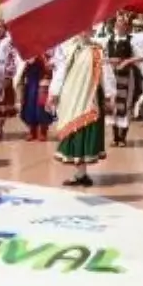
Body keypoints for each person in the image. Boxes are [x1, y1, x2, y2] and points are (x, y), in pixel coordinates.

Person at [48, 32, 116, 187]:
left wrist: (110, 94)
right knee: (74, 131)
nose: (84, 32)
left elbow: (106, 72)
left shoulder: (97, 49)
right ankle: (80, 173)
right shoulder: (70, 49)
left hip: (90, 97)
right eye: (81, 29)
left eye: (87, 29)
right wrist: (55, 92)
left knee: (85, 132)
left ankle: (82, 174)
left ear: (91, 32)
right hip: (72, 98)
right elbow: (61, 72)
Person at [106, 11, 143, 147]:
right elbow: (103, 56)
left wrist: (126, 61)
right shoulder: (109, 40)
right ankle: (115, 137)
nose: (120, 25)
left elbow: (141, 56)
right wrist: (110, 60)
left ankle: (122, 137)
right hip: (112, 76)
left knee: (125, 105)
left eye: (123, 23)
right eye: (118, 22)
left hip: (126, 76)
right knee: (112, 105)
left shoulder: (131, 40)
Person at [19, 46, 56, 141]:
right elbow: (20, 57)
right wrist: (27, 59)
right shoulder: (28, 41)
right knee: (30, 102)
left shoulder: (51, 41)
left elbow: (55, 57)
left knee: (42, 103)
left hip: (44, 75)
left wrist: (45, 58)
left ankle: (43, 130)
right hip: (31, 76)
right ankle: (32, 129)